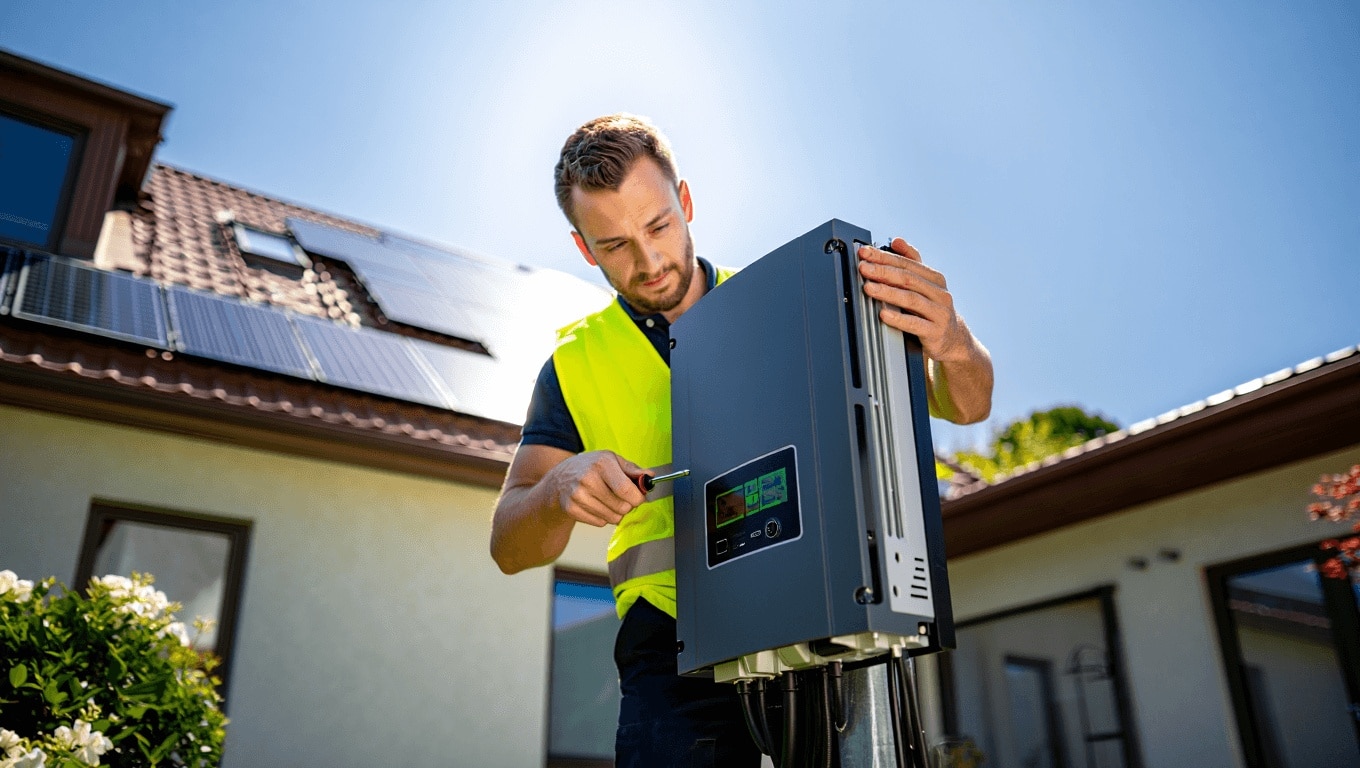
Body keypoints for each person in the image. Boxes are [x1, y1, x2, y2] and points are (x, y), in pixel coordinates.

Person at [490, 114, 993, 767]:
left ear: (685, 201)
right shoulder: (573, 366)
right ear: (584, 249)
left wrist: (953, 341)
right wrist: (557, 489)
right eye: (615, 246)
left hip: (820, 606)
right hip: (669, 654)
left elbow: (968, 402)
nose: (649, 261)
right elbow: (509, 546)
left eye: (658, 226)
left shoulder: (796, 301)